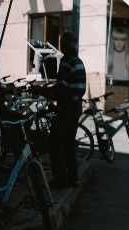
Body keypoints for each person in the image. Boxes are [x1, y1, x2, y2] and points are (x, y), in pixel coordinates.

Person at [46, 31, 87, 189]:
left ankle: (60, 180)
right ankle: (73, 178)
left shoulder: (66, 62)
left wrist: (46, 92)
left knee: (55, 143)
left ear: (65, 45)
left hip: (66, 107)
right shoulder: (79, 61)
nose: (60, 45)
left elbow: (62, 87)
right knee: (69, 143)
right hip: (76, 107)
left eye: (62, 43)